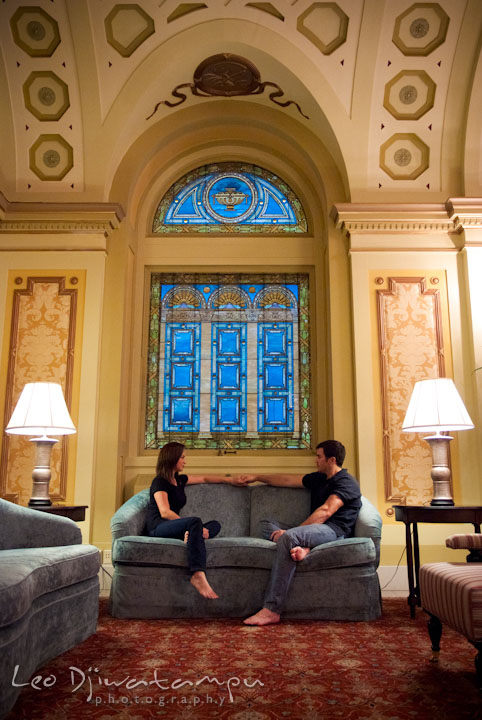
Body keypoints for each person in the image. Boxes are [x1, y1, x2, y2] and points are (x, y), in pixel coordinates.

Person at [243, 440, 361, 626]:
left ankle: (272, 610)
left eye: (318, 456)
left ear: (331, 460)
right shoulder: (320, 478)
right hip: (315, 530)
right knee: (266, 524)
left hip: (333, 530)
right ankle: (305, 547)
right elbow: (288, 480)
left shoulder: (346, 483)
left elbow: (326, 512)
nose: (315, 460)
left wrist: (291, 533)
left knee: (289, 537)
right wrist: (258, 476)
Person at [146, 441, 251, 600]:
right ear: (172, 458)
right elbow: (165, 512)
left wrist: (230, 480)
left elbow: (204, 477)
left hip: (173, 528)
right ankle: (197, 573)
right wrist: (192, 525)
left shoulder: (179, 480)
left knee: (215, 525)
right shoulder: (159, 482)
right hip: (158, 527)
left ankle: (190, 536)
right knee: (195, 522)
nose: (185, 461)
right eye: (182, 457)